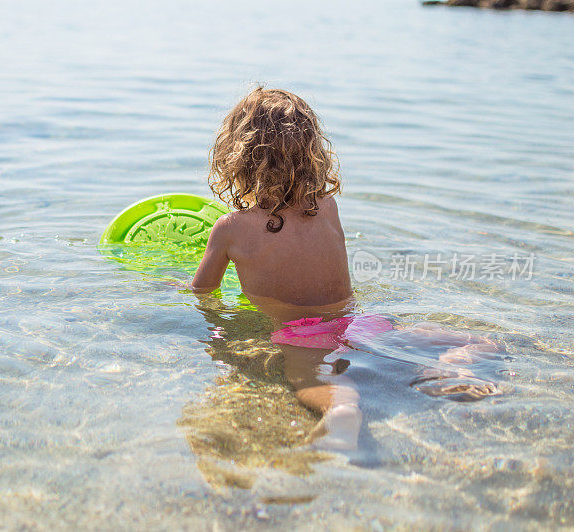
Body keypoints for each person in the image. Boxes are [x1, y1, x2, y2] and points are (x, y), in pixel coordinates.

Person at [191, 87, 499, 451]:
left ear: (237, 156)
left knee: (316, 383)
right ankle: (455, 367)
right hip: (360, 323)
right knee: (479, 340)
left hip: (302, 334)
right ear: (311, 153)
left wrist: (172, 289)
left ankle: (342, 412)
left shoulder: (229, 229)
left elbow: (202, 291)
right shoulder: (327, 206)